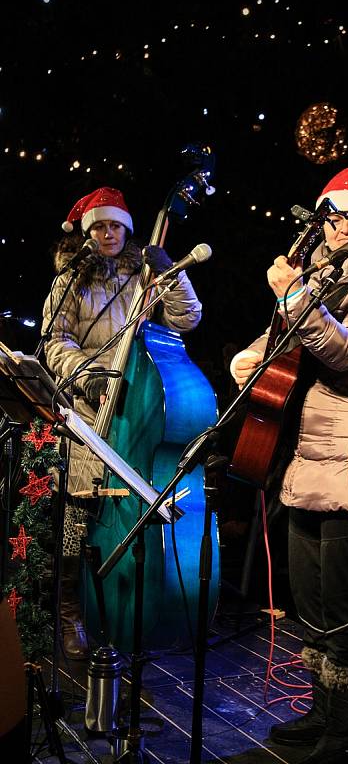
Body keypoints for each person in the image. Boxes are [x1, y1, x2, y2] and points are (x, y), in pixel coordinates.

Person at [230, 162, 348, 763]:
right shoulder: (321, 281)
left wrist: (293, 294)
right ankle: (319, 712)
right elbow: (278, 346)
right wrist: (248, 363)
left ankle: (345, 737)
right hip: (307, 461)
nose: (338, 230)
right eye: (333, 218)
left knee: (342, 608)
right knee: (310, 603)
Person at [42, 186, 202, 659]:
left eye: (114, 226)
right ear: (87, 233)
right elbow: (55, 341)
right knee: (77, 514)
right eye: (99, 227)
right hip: (87, 408)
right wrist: (87, 375)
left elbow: (187, 319)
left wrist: (173, 273)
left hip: (137, 405)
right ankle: (73, 612)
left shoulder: (147, 273)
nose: (107, 233)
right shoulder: (71, 280)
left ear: (127, 230)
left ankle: (134, 608)